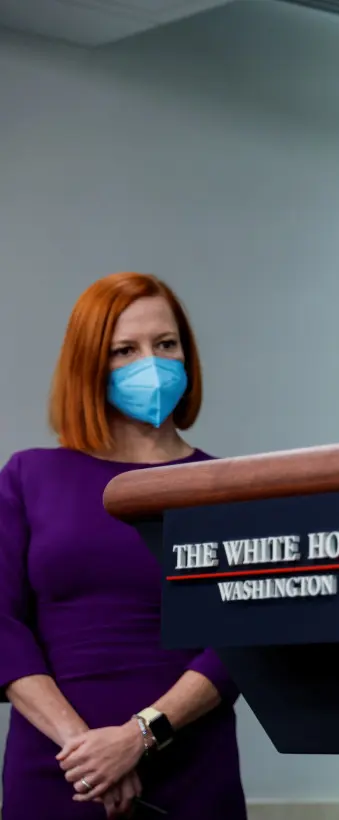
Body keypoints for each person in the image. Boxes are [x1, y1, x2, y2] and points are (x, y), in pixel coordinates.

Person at [0, 272, 246, 818]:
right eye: (124, 350)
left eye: (165, 344)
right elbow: (1, 626)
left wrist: (140, 736)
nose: (151, 363)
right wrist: (85, 750)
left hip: (191, 765)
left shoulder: (228, 485)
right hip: (58, 768)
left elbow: (242, 639)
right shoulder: (28, 476)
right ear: (90, 363)